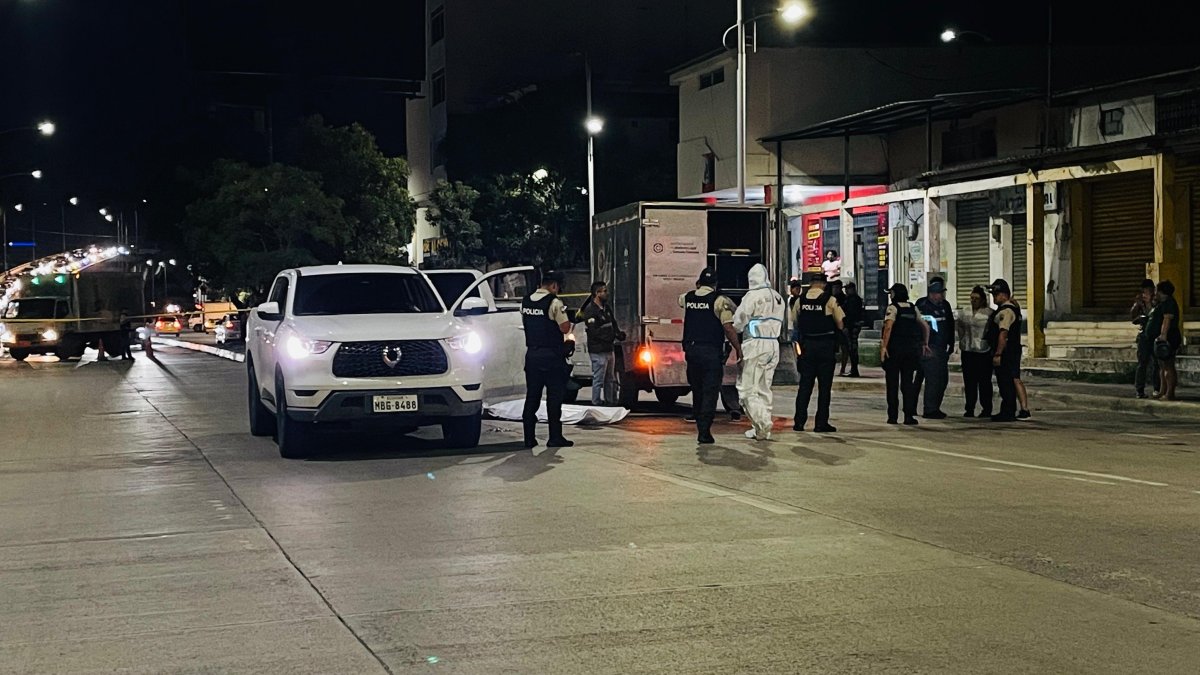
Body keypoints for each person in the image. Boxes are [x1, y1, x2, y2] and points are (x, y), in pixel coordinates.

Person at [680, 268, 742, 444]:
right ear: (716, 284)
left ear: (699, 282)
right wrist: (737, 347)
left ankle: (700, 425)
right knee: (710, 391)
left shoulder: (687, 297)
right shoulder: (719, 301)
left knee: (697, 390)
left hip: (691, 351)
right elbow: (728, 327)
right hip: (710, 352)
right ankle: (704, 431)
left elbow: (681, 300)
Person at [521, 270, 574, 449]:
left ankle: (529, 438)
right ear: (554, 286)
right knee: (554, 398)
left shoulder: (526, 301)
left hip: (532, 356)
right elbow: (565, 328)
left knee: (532, 397)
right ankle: (555, 437)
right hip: (552, 357)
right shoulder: (554, 302)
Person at [733, 263, 785, 440]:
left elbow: (739, 321)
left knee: (747, 389)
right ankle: (761, 431)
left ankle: (763, 422)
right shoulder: (778, 297)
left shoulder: (752, 296)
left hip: (755, 345)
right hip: (773, 346)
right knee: (764, 388)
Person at [791, 272, 844, 432]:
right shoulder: (830, 300)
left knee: (805, 385)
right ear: (824, 284)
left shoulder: (801, 300)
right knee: (824, 387)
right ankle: (821, 423)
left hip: (807, 346)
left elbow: (795, 321)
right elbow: (840, 324)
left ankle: (799, 422)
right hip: (825, 347)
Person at [881, 283, 930, 425]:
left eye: (891, 293)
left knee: (892, 384)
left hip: (894, 351)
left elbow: (888, 327)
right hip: (910, 351)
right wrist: (925, 343)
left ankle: (893, 416)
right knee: (907, 384)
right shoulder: (913, 308)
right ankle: (908, 416)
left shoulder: (892, 308)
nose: (890, 296)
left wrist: (884, 347)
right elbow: (925, 326)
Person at [915, 276, 955, 419]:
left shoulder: (945, 305)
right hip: (928, 347)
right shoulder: (922, 305)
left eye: (942, 293)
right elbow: (918, 326)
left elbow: (950, 325)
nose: (941, 296)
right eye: (939, 293)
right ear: (931, 294)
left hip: (941, 347)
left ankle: (934, 406)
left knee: (942, 379)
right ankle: (929, 409)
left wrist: (951, 343)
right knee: (932, 379)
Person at [985, 278, 1022, 422]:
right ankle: (1007, 410)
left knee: (1005, 382)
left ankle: (1008, 411)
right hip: (1011, 351)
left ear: (1004, 295)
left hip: (1006, 352)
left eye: (996, 294)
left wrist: (998, 353)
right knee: (1006, 381)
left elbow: (1003, 334)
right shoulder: (1013, 309)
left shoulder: (1006, 312)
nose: (994, 297)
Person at [581, 281, 623, 406]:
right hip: (598, 350)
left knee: (611, 379)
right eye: (604, 291)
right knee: (598, 379)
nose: (606, 293)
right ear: (596, 293)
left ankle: (611, 402)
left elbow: (613, 324)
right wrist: (609, 336)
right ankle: (596, 402)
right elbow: (594, 332)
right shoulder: (590, 310)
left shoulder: (606, 308)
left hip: (609, 349)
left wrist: (618, 334)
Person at [958, 285, 994, 417]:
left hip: (983, 350)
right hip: (967, 349)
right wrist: (963, 339)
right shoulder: (965, 312)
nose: (973, 301)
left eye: (976, 298)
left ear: (983, 299)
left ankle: (986, 408)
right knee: (969, 381)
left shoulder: (989, 313)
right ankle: (970, 408)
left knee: (984, 381)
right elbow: (960, 327)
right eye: (972, 298)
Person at [1147, 279, 1182, 401]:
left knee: (1168, 366)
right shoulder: (1162, 303)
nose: (1155, 293)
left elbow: (1167, 320)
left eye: (1157, 290)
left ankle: (1169, 393)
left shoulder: (1169, 303)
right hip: (1162, 337)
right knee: (1162, 366)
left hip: (1169, 337)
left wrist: (1163, 336)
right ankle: (1163, 390)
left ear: (1162, 291)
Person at [1131, 279, 1160, 399]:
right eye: (1145, 291)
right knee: (1142, 363)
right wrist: (1140, 315)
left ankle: (1157, 388)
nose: (1146, 293)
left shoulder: (1157, 301)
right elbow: (1133, 318)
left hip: (1155, 333)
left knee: (1157, 363)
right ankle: (1139, 390)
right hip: (1144, 335)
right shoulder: (1140, 303)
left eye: (1149, 290)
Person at [838, 282, 864, 377]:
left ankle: (854, 370)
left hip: (852, 326)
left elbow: (849, 314)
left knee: (852, 348)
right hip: (853, 326)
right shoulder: (855, 299)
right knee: (852, 348)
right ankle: (854, 369)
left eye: (847, 289)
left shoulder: (852, 300)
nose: (846, 291)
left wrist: (846, 326)